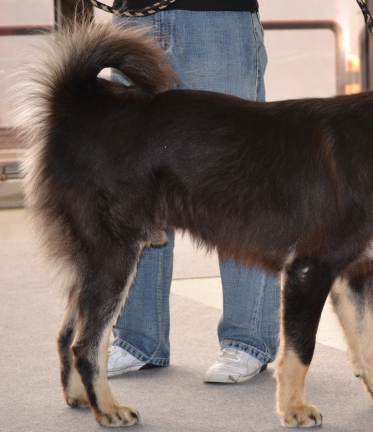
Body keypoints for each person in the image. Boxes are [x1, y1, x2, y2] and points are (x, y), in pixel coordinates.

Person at [106, 0, 281, 383]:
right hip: (134, 16)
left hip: (217, 16)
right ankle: (138, 339)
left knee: (236, 178)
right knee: (136, 181)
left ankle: (248, 340)